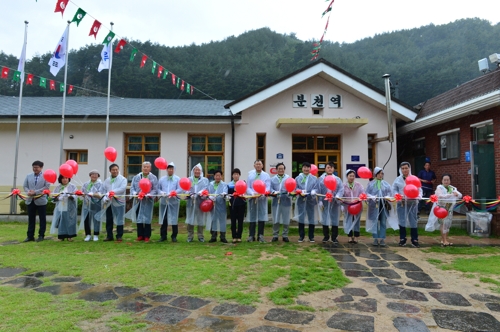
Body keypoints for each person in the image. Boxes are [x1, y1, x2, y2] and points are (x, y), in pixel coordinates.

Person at [426, 174, 462, 246]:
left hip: (449, 209)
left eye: (448, 180)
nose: (446, 181)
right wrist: (451, 195)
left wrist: (456, 194)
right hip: (441, 209)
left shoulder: (452, 188)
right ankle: (444, 240)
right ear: (442, 181)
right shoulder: (439, 187)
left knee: (447, 224)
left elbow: (460, 195)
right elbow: (440, 196)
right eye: (444, 180)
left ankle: (445, 240)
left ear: (450, 181)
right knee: (443, 224)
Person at [393, 161, 422, 248]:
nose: (405, 170)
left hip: (412, 203)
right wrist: (397, 195)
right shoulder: (397, 179)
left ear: (409, 168)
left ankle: (414, 239)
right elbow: (394, 189)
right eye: (403, 168)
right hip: (401, 203)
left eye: (406, 168)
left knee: (413, 220)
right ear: (400, 169)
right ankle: (402, 239)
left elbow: (419, 189)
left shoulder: (414, 178)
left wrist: (418, 196)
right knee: (402, 220)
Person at [128, 162, 158, 243]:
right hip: (138, 200)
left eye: (147, 167)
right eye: (144, 167)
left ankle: (147, 236)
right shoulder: (137, 177)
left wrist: (149, 194)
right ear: (142, 168)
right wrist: (135, 193)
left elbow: (155, 189)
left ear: (150, 168)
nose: (145, 168)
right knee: (139, 217)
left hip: (148, 200)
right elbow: (132, 187)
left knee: (147, 218)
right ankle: (140, 235)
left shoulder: (153, 177)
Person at [23, 160, 50, 242]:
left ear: (41, 168)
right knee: (31, 219)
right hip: (30, 200)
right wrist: (28, 192)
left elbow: (46, 187)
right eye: (34, 167)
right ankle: (30, 236)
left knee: (42, 219)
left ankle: (41, 235)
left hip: (41, 200)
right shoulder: (28, 176)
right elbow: (25, 185)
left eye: (37, 167)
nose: (35, 169)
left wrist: (36, 192)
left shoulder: (46, 176)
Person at [100, 164, 127, 242]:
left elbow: (122, 189)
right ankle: (109, 235)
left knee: (119, 219)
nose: (115, 171)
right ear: (110, 171)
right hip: (109, 203)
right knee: (109, 219)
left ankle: (119, 236)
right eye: (113, 170)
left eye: (116, 169)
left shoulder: (123, 179)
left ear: (118, 170)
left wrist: (111, 193)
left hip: (119, 202)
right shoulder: (107, 180)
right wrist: (105, 196)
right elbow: (103, 189)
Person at [366, 167, 393, 246]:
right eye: (379, 173)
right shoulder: (371, 184)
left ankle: (382, 238)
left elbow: (390, 193)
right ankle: (375, 238)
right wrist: (372, 197)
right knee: (374, 222)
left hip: (383, 205)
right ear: (376, 174)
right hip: (374, 206)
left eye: (382, 173)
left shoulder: (386, 184)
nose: (381, 175)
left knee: (383, 222)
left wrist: (387, 196)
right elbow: (367, 193)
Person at [318, 162, 344, 244]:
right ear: (325, 168)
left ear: (334, 169)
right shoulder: (321, 179)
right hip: (325, 202)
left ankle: (334, 237)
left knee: (334, 219)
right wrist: (319, 200)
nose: (330, 169)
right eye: (328, 167)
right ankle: (326, 236)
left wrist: (338, 196)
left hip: (334, 202)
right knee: (325, 219)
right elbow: (318, 190)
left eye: (331, 167)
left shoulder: (337, 179)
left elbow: (341, 189)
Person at [246, 160, 271, 243]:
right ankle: (251, 235)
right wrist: (252, 193)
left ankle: (260, 235)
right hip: (253, 198)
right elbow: (248, 187)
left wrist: (263, 193)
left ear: (262, 165)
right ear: (254, 166)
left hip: (262, 198)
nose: (258, 166)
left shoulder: (266, 175)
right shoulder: (250, 175)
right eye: (256, 164)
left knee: (262, 216)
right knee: (252, 216)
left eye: (259, 164)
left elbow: (268, 186)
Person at [158, 162, 182, 242]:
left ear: (174, 170)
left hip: (174, 201)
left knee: (174, 219)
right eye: (169, 169)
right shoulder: (162, 179)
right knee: (164, 219)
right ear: (167, 169)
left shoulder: (177, 179)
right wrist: (162, 193)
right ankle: (163, 235)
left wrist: (174, 192)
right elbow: (158, 188)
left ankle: (174, 236)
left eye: (172, 169)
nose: (170, 170)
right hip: (164, 201)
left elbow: (180, 188)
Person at [185, 163, 209, 242]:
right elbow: (185, 189)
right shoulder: (189, 179)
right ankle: (190, 236)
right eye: (196, 170)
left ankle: (200, 236)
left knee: (200, 219)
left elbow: (206, 189)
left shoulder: (205, 180)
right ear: (193, 171)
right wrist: (189, 194)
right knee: (190, 218)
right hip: (190, 202)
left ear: (201, 171)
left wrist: (201, 193)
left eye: (199, 170)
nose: (197, 172)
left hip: (200, 202)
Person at [294, 162, 318, 243]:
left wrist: (314, 191)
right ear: (302, 168)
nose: (306, 169)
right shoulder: (298, 178)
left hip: (311, 200)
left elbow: (316, 188)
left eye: (308, 167)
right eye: (304, 167)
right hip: (301, 200)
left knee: (311, 218)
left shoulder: (314, 178)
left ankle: (311, 236)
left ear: (310, 169)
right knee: (301, 218)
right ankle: (301, 236)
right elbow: (295, 187)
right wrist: (299, 191)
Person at [50, 174, 78, 241]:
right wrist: (58, 197)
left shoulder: (72, 186)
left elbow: (75, 195)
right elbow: (54, 197)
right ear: (60, 179)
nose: (65, 179)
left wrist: (69, 196)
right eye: (63, 178)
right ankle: (61, 236)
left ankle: (70, 236)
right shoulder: (58, 187)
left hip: (70, 207)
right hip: (60, 206)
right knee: (61, 220)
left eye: (66, 178)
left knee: (70, 221)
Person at [270, 163, 292, 242]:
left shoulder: (288, 178)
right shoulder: (272, 179)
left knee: (286, 219)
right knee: (276, 218)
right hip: (276, 201)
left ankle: (285, 235)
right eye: (279, 168)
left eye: (282, 168)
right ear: (276, 170)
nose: (281, 170)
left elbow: (291, 188)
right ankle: (275, 235)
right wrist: (274, 192)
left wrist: (289, 192)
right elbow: (270, 189)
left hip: (286, 201)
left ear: (284, 169)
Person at [342, 169, 365, 244]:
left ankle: (355, 237)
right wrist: (343, 203)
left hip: (357, 207)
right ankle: (349, 236)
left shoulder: (358, 185)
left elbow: (363, 193)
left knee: (356, 221)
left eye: (353, 176)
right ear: (347, 176)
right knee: (348, 221)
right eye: (350, 176)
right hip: (347, 207)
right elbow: (341, 196)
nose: (352, 177)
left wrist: (359, 198)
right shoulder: (343, 186)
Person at [79, 170, 102, 242]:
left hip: (96, 203)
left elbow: (101, 194)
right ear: (90, 175)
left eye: (96, 174)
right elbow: (82, 192)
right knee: (87, 219)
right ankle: (88, 234)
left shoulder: (100, 184)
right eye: (92, 174)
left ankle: (96, 234)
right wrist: (82, 194)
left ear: (98, 176)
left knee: (96, 219)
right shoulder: (86, 184)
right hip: (87, 203)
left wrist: (94, 194)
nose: (94, 176)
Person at [208, 170, 228, 243]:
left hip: (221, 205)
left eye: (219, 175)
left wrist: (223, 194)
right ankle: (213, 236)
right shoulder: (211, 184)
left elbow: (225, 192)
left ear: (221, 176)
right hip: (213, 205)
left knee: (222, 220)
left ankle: (223, 236)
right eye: (216, 175)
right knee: (214, 220)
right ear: (214, 176)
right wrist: (210, 197)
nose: (218, 177)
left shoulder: (224, 185)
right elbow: (208, 192)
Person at [227, 168, 246, 243]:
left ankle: (239, 236)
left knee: (240, 221)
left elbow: (245, 193)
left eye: (237, 174)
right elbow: (228, 194)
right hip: (232, 205)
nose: (236, 176)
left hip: (241, 204)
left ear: (239, 175)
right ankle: (234, 236)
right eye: (234, 174)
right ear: (232, 175)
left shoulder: (243, 183)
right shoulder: (229, 185)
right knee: (233, 221)